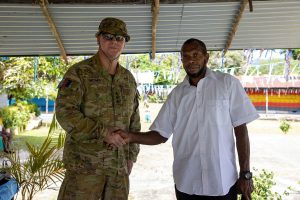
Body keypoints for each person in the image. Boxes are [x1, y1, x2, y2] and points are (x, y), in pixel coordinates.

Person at [115, 38, 259, 200]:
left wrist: (245, 173)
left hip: (222, 182)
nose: (191, 60)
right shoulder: (177, 95)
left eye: (196, 54)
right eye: (186, 56)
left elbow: (241, 132)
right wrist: (131, 136)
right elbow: (160, 134)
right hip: (187, 184)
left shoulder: (227, 84)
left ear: (206, 57)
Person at [55, 17, 141, 200]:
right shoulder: (79, 73)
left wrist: (131, 156)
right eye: (108, 36)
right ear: (98, 38)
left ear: (125, 42)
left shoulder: (127, 79)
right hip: (84, 171)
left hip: (118, 171)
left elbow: (135, 121)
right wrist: (103, 133)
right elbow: (65, 113)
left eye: (120, 38)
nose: (114, 42)